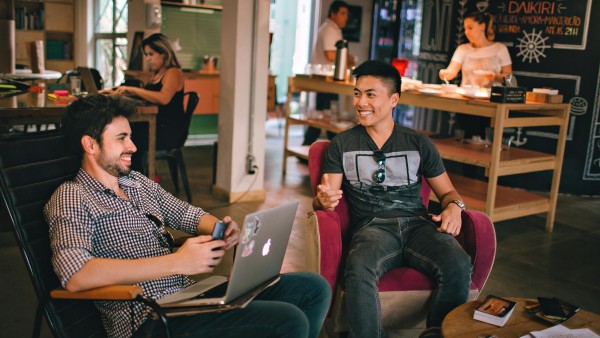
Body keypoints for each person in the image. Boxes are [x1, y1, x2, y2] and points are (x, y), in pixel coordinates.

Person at [45, 94, 331, 338]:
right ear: (90, 144)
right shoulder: (72, 196)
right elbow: (76, 274)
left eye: (130, 136)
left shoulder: (136, 182)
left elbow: (184, 213)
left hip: (187, 298)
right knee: (288, 321)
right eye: (122, 138)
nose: (133, 146)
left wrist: (219, 227)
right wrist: (176, 262)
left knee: (313, 288)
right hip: (149, 318)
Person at [313, 60, 472, 338]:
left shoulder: (419, 143)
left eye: (370, 94)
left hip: (419, 226)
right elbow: (327, 199)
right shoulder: (342, 144)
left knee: (457, 262)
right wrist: (323, 201)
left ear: (394, 99)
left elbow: (448, 192)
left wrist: (454, 207)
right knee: (359, 267)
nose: (360, 102)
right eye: (357, 93)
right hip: (372, 228)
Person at [102, 33, 186, 172]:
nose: (148, 59)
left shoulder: (173, 72)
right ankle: (126, 176)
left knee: (126, 137)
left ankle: (134, 179)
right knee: (122, 133)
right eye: (146, 54)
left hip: (167, 130)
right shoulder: (158, 73)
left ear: (163, 53)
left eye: (151, 54)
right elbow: (150, 97)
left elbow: (163, 98)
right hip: (157, 124)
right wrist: (121, 92)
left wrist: (133, 90)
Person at [439, 11, 513, 140]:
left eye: (470, 28)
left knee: (487, 142)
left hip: (491, 103)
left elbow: (509, 79)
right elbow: (451, 72)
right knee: (465, 141)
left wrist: (494, 75)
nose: (466, 32)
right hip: (466, 102)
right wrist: (444, 73)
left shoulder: (500, 49)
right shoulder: (463, 49)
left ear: (482, 26)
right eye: (465, 29)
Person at [302, 1, 354, 148]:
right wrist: (349, 58)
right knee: (326, 115)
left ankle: (315, 147)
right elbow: (331, 55)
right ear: (333, 13)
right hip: (326, 80)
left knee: (326, 115)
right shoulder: (329, 29)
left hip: (330, 80)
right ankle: (312, 147)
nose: (346, 17)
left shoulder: (333, 29)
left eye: (346, 14)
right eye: (343, 14)